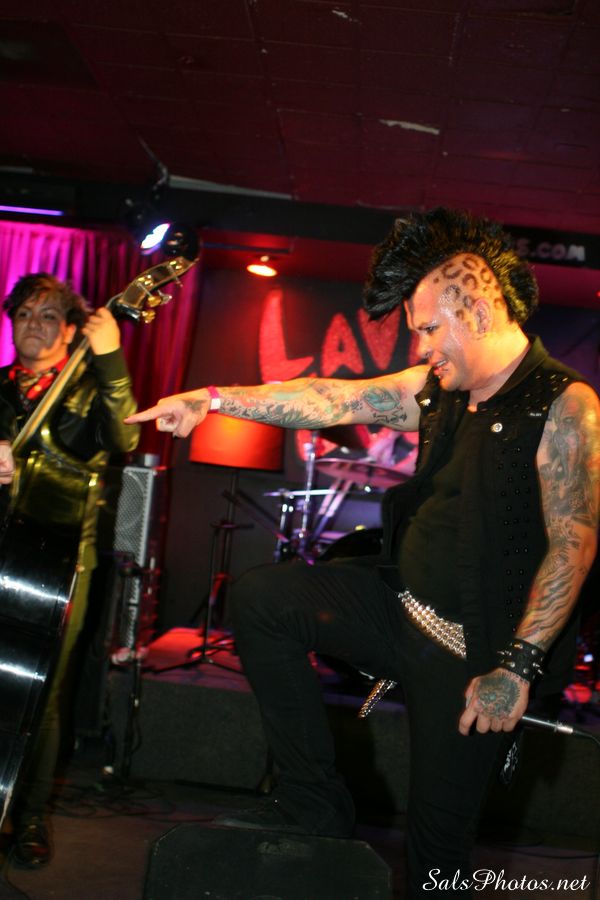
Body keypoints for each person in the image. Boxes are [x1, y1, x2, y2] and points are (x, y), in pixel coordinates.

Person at [125, 208, 599, 897]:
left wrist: (517, 666)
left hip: (475, 655)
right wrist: (214, 398)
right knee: (264, 599)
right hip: (399, 611)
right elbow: (331, 397)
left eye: (429, 328)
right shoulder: (438, 390)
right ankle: (314, 802)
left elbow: (574, 542)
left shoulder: (564, 404)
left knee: (437, 859)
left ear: (479, 311)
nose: (422, 345)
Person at [0, 273, 140, 868]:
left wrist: (109, 357)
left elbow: (125, 433)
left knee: (43, 692)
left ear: (69, 329)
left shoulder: (87, 387)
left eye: (49, 316)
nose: (34, 325)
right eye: (24, 314)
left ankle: (30, 815)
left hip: (60, 561)